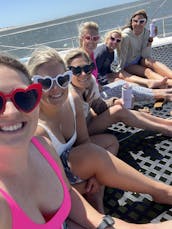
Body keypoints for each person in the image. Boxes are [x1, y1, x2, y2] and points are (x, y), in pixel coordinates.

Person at [27, 46, 172, 220]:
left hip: (79, 165)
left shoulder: (72, 100)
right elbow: (48, 186)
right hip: (61, 188)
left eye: (62, 79)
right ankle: (159, 191)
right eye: (45, 83)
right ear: (32, 85)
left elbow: (84, 141)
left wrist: (96, 175)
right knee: (94, 151)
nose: (56, 89)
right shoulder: (34, 127)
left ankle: (97, 193)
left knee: (110, 141)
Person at [65, 48, 172, 138]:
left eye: (87, 68)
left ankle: (166, 124)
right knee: (118, 111)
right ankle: (165, 128)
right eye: (76, 71)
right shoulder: (67, 95)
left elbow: (98, 106)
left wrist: (116, 101)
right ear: (68, 73)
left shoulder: (91, 80)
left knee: (120, 108)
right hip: (79, 134)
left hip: (89, 119)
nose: (83, 74)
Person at [94, 29, 169, 91]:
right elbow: (93, 72)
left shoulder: (111, 52)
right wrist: (108, 80)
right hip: (97, 80)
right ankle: (147, 90)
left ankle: (149, 83)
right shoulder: (101, 51)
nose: (114, 42)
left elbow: (105, 69)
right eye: (112, 39)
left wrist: (114, 74)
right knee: (119, 81)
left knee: (121, 73)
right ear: (107, 39)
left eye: (118, 41)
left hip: (103, 75)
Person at [119, 9, 172, 86]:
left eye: (141, 21)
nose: (138, 24)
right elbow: (122, 57)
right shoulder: (126, 35)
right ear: (131, 22)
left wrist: (150, 39)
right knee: (147, 71)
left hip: (139, 59)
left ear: (145, 23)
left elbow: (145, 55)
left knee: (151, 62)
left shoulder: (146, 33)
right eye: (135, 21)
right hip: (128, 64)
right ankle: (168, 83)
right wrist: (121, 71)